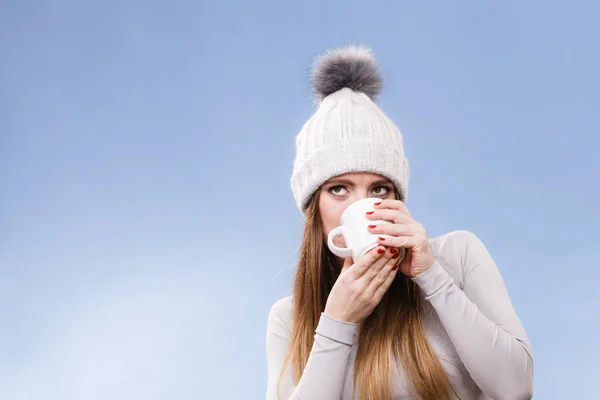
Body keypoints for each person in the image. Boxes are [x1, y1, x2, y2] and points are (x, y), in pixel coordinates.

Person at [265, 45, 534, 400]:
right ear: (314, 205)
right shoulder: (290, 318)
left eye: (379, 188)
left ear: (397, 199)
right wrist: (337, 322)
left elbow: (516, 389)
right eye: (339, 189)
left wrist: (432, 277)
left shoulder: (458, 256)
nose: (364, 205)